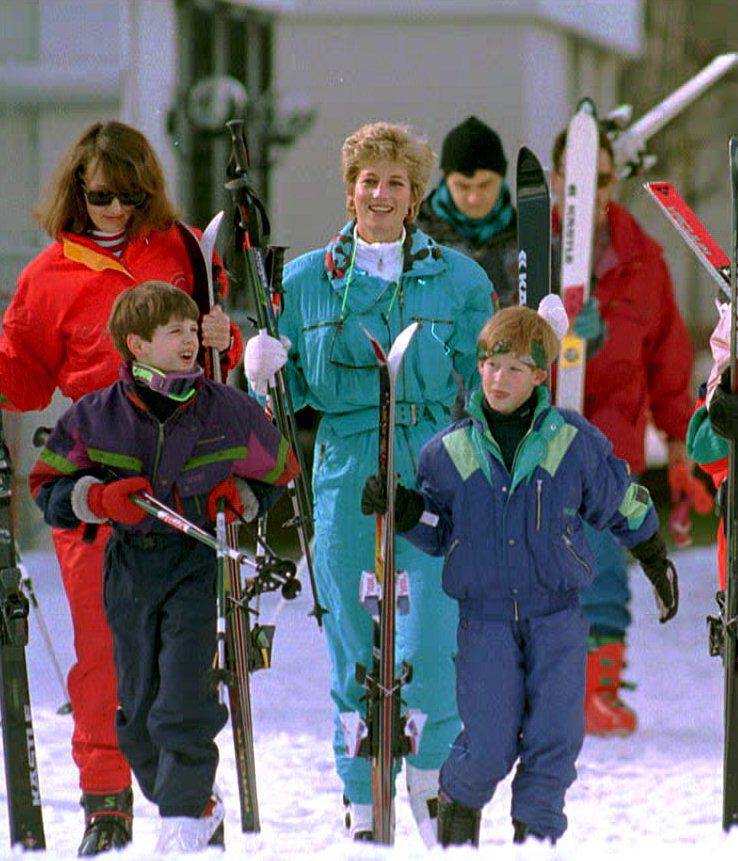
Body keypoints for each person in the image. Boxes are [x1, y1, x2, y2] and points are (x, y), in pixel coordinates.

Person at [242, 121, 494, 845]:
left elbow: (493, 384)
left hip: (432, 458)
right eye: (367, 180)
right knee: (353, 635)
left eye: (395, 182)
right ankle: (361, 789)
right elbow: (278, 407)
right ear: (349, 190)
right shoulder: (302, 280)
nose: (380, 194)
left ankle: (432, 779)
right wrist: (261, 371)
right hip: (347, 459)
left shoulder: (458, 277)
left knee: (433, 631)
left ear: (415, 196)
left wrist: (537, 336)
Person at [0, 120, 243, 855]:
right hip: (98, 476)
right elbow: (23, 381)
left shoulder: (184, 249)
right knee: (104, 649)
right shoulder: (48, 275)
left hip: (185, 470)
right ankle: (107, 802)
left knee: (182, 654)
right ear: (78, 189)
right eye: (103, 196)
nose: (116, 211)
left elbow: (219, 349)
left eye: (132, 196)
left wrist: (224, 338)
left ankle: (190, 798)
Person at [360, 300, 679, 847]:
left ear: (539, 374)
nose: (498, 377)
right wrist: (407, 511)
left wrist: (653, 555)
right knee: (487, 745)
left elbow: (618, 501)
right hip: (484, 622)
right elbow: (440, 529)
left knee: (555, 741)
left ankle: (537, 841)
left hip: (556, 616)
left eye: (513, 367)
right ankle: (457, 811)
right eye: (489, 363)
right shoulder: (449, 452)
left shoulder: (570, 444)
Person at [28, 282, 299, 853]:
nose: (188, 340)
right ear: (136, 344)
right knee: (137, 715)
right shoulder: (95, 417)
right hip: (128, 568)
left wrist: (242, 498)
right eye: (173, 331)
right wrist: (97, 500)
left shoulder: (224, 408)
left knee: (183, 699)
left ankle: (180, 821)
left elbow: (281, 467)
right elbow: (46, 486)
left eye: (190, 329)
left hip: (197, 566)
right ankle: (196, 804)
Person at [550, 126, 693, 736]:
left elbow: (669, 362)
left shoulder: (643, 260)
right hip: (538, 439)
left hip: (612, 446)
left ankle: (598, 691)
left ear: (615, 180)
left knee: (605, 564)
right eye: (581, 177)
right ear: (559, 179)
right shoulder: (529, 245)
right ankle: (549, 690)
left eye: (604, 178)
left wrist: (684, 450)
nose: (594, 188)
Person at [416, 116, 518, 309]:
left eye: (485, 185)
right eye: (463, 186)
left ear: (502, 178)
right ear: (446, 180)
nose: (474, 198)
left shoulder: (527, 237)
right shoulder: (414, 236)